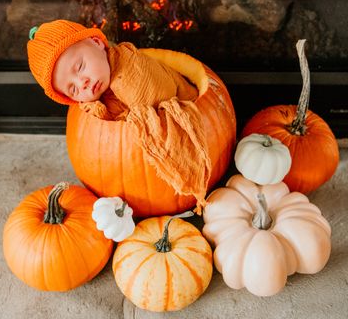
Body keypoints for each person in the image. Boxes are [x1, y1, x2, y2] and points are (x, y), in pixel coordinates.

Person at [27, 19, 211, 213]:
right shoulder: (96, 99)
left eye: (80, 67)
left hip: (188, 104)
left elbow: (156, 101)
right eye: (72, 89)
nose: (83, 83)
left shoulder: (130, 69)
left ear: (97, 43)